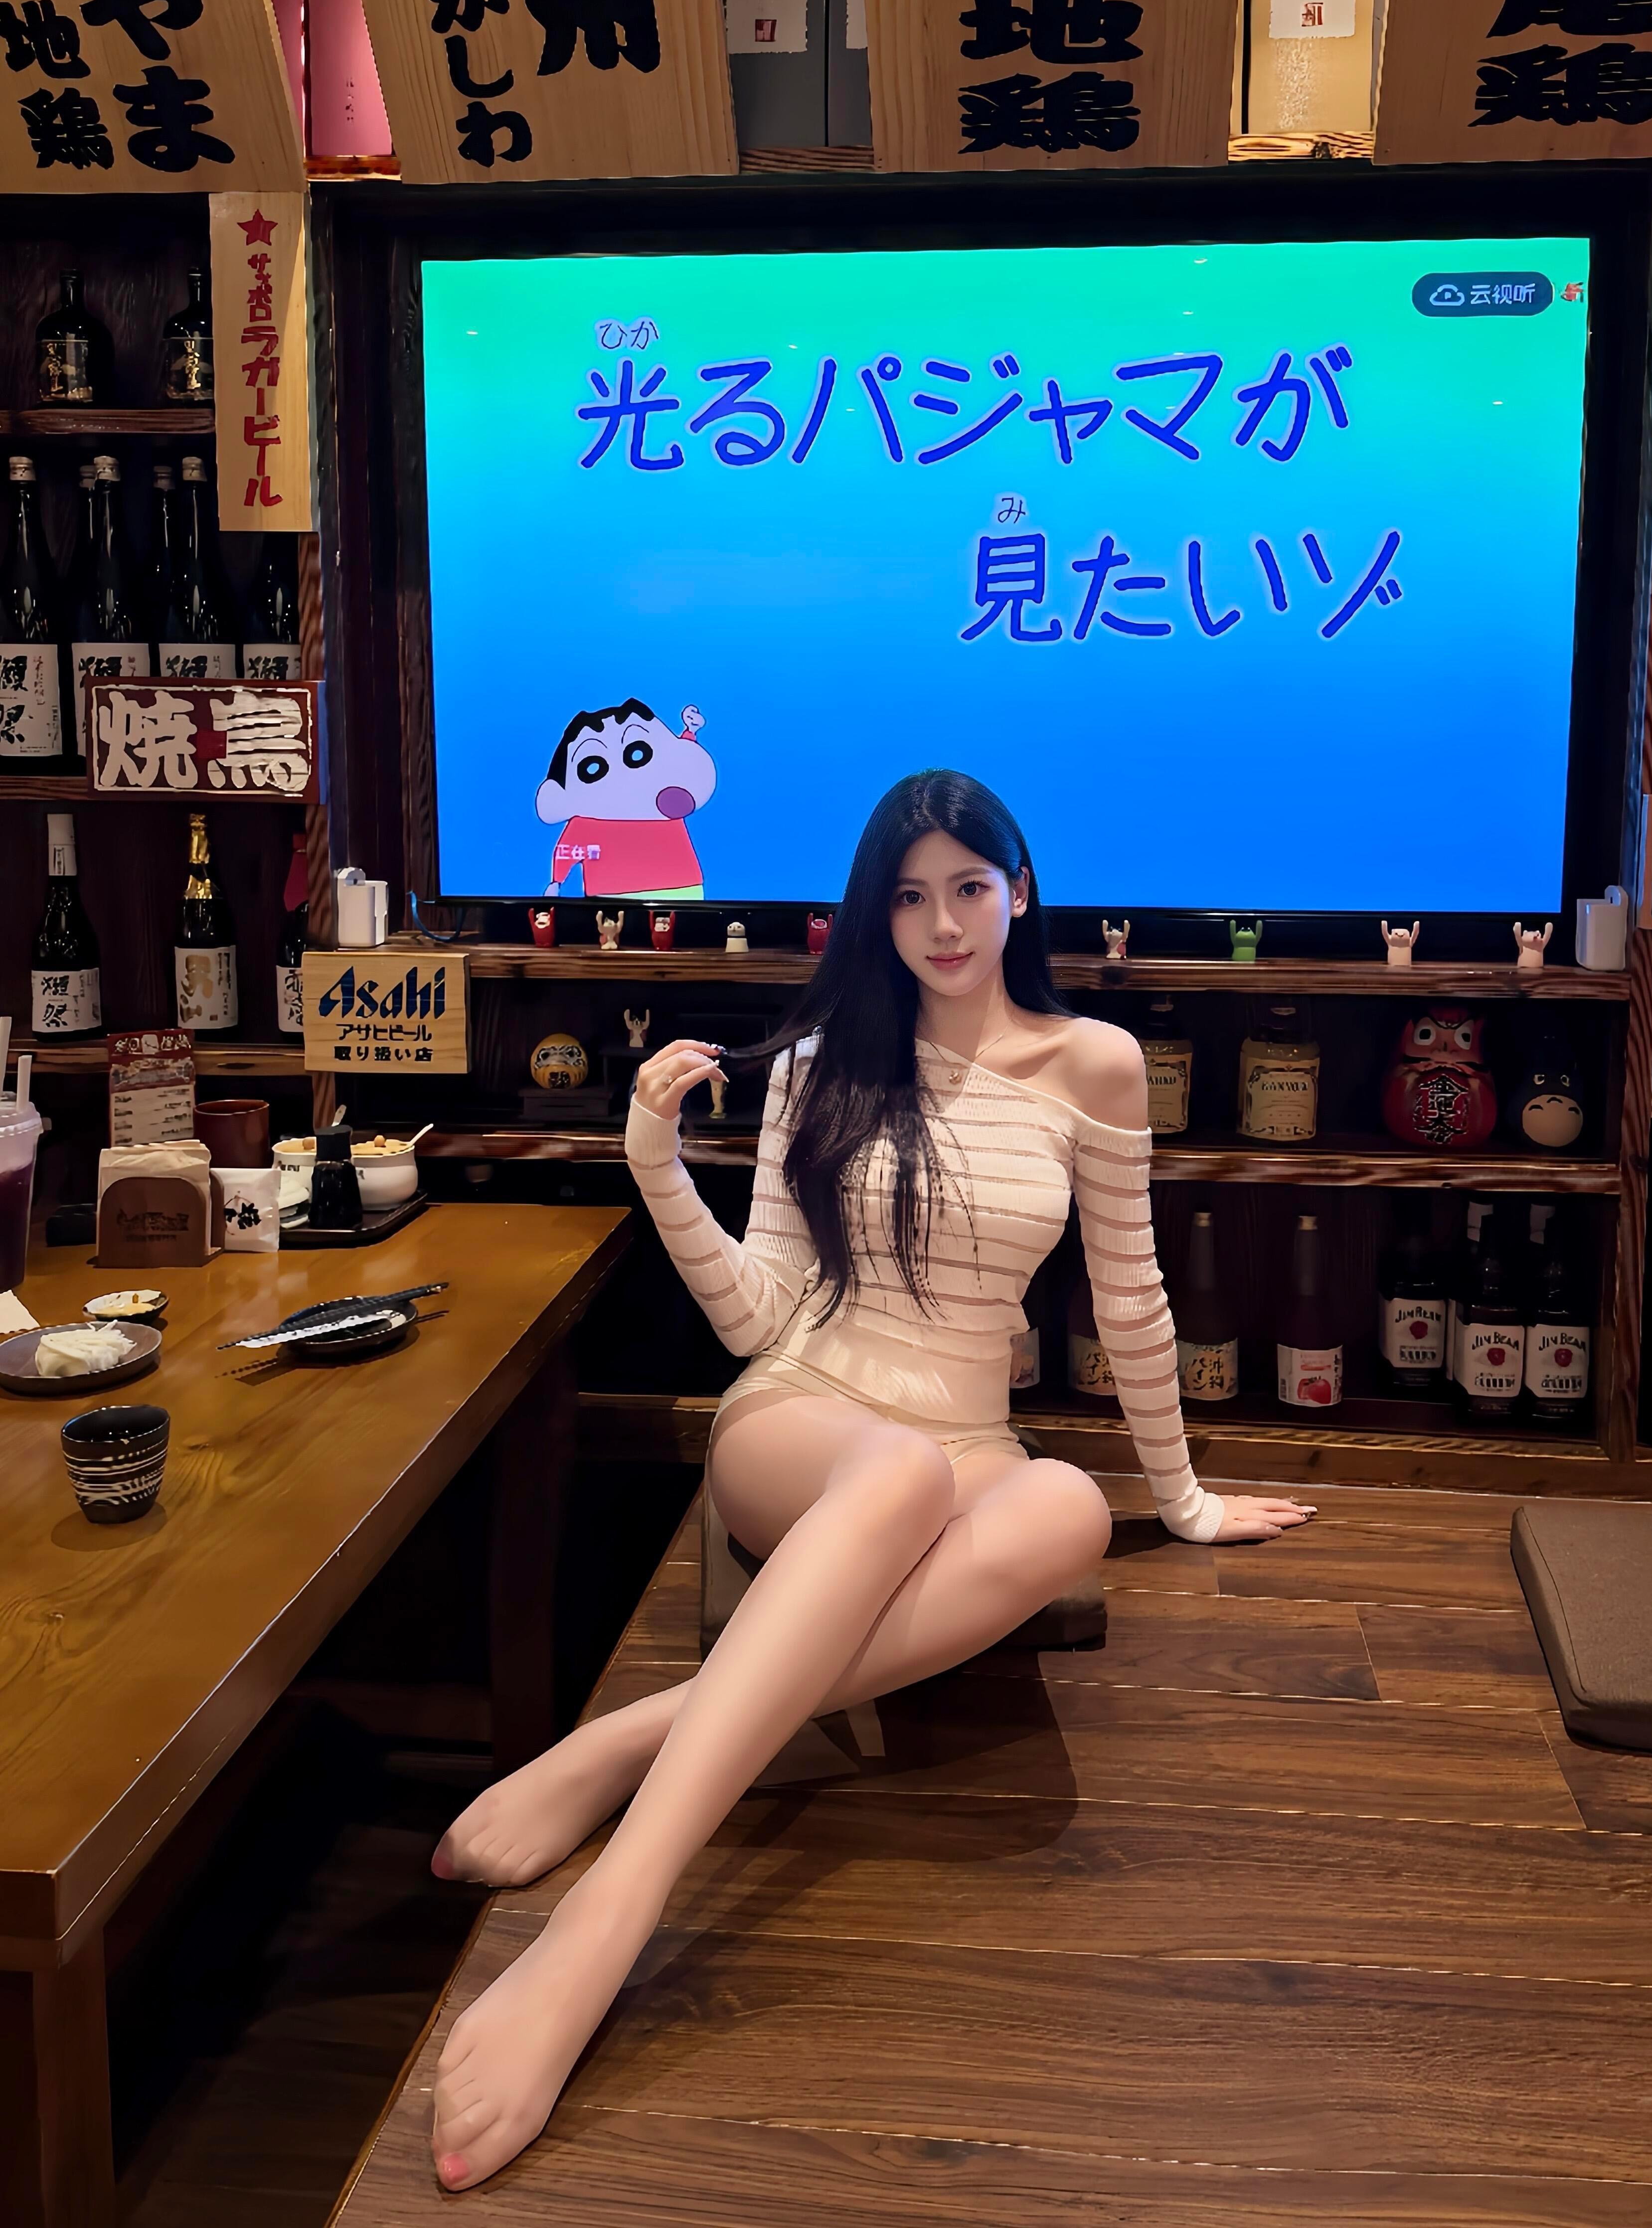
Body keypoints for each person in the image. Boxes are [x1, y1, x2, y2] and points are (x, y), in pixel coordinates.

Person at [426, 769, 1316, 2189]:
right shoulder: (820, 1061)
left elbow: (1134, 1302)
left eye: (969, 887)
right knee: (896, 1471)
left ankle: (629, 1741)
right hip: (804, 1416)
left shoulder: (1093, 1065)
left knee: (1068, 1507)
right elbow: (756, 1318)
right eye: (908, 896)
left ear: (1020, 891)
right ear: (874, 913)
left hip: (970, 1444)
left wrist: (1187, 1499)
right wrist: (657, 1162)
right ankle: (603, 1929)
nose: (942, 924)